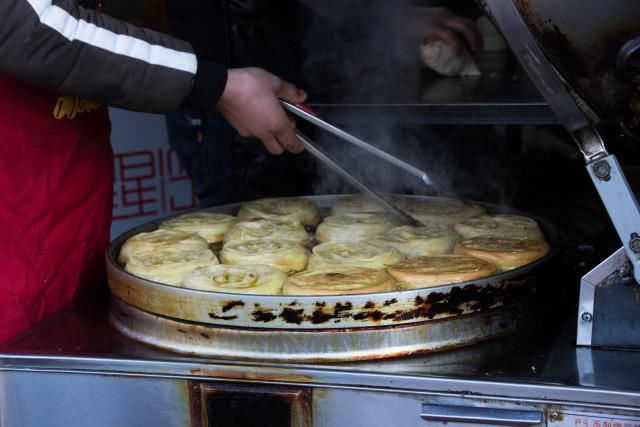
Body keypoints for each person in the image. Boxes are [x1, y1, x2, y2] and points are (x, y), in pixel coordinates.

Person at [0, 0, 306, 344]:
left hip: (67, 209)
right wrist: (214, 84)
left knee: (67, 346)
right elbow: (34, 26)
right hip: (13, 229)